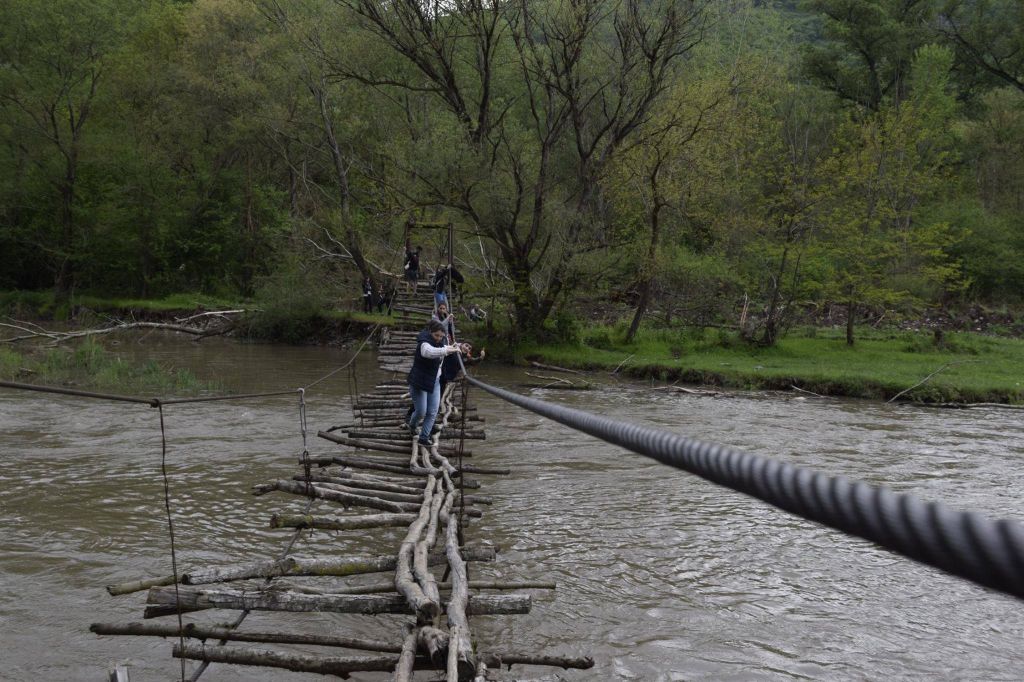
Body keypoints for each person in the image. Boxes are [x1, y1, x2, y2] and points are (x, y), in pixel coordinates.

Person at [406, 320, 468, 446]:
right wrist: (448, 350)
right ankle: (412, 425)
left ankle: (424, 437)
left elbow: (444, 347)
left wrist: (454, 348)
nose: (439, 338)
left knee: (433, 411)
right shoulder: (424, 343)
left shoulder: (440, 342)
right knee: (421, 411)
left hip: (435, 381)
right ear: (430, 333)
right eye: (436, 335)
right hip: (419, 381)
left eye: (441, 336)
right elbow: (429, 352)